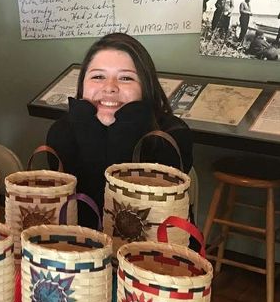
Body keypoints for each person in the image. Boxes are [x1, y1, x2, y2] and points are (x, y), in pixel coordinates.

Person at [46, 33, 193, 227]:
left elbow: (122, 210)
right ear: (82, 84)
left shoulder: (171, 134)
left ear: (145, 86)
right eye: (98, 76)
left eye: (125, 78)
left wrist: (127, 123)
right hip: (78, 247)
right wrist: (88, 128)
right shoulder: (62, 131)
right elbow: (84, 212)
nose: (110, 87)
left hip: (149, 251)